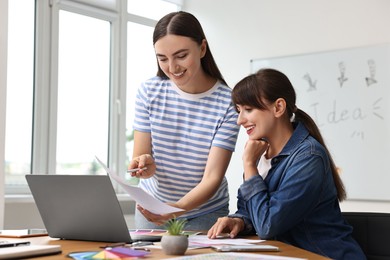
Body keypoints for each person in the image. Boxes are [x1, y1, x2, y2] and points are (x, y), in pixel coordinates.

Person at [207, 68, 366, 259]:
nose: (240, 120)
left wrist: (249, 165)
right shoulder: (260, 154)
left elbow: (268, 225)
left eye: (248, 110)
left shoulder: (308, 157)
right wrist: (239, 221)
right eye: (238, 111)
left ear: (278, 108)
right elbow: (251, 211)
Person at [128, 11, 240, 231]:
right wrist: (144, 167)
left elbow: (212, 177)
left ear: (202, 48)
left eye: (181, 55)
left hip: (206, 213)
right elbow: (140, 157)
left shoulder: (228, 101)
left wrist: (178, 207)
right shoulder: (149, 91)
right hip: (152, 208)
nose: (172, 67)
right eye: (162, 58)